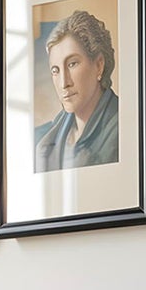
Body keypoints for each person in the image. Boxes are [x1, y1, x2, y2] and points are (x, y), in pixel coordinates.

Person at [34, 9, 119, 172]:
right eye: (55, 70)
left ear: (99, 65)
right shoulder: (46, 138)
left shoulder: (122, 129)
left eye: (72, 64)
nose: (64, 83)